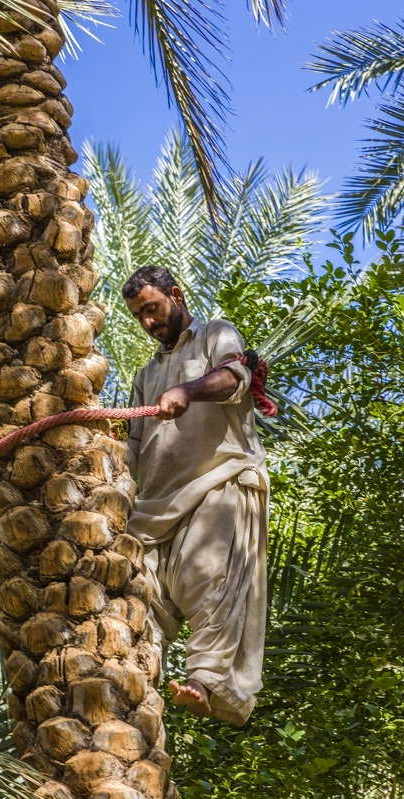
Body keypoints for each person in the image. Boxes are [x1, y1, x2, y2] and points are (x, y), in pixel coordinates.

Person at [121, 265, 269, 726]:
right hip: (157, 506)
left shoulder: (215, 334)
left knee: (211, 580)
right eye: (139, 316)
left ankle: (204, 682)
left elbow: (234, 377)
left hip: (217, 481)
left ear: (176, 295)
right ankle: (135, 683)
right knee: (137, 593)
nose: (148, 322)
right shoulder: (146, 374)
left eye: (152, 308)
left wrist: (187, 389)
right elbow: (132, 445)